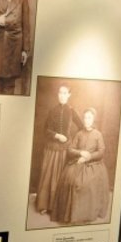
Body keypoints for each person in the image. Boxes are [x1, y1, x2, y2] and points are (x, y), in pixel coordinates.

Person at [52, 108, 111, 224]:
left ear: (93, 119)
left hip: (92, 165)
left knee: (84, 184)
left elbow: (101, 151)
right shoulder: (79, 134)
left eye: (89, 118)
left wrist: (88, 157)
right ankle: (70, 213)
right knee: (69, 180)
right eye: (85, 117)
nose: (86, 120)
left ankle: (84, 214)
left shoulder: (98, 134)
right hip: (77, 161)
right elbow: (70, 149)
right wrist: (80, 153)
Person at [34, 84, 83, 215]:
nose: (62, 95)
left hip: (65, 150)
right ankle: (45, 205)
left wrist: (72, 140)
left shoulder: (72, 111)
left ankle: (57, 206)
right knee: (48, 176)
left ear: (69, 95)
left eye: (65, 93)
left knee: (62, 177)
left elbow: (81, 127)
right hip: (52, 149)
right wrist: (57, 135)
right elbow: (46, 130)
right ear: (58, 94)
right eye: (60, 92)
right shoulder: (52, 110)